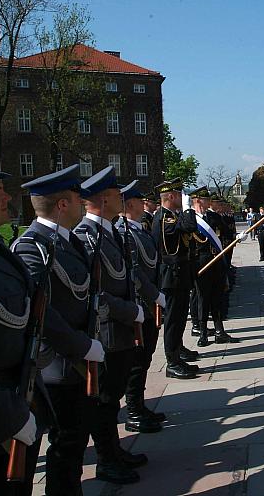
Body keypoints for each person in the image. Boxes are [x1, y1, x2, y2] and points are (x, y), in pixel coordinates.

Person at [0, 164, 105, 495]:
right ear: (62, 204)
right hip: (57, 365)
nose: (81, 202)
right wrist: (81, 346)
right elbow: (39, 313)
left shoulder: (65, 241)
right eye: (76, 196)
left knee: (74, 440)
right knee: (64, 442)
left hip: (77, 358)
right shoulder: (32, 246)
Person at [74, 166, 152, 484]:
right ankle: (106, 458)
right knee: (104, 400)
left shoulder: (109, 231)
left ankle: (114, 450)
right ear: (104, 199)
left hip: (120, 328)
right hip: (106, 329)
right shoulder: (86, 236)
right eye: (116, 194)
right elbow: (97, 292)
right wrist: (128, 311)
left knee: (113, 396)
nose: (122, 199)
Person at [115, 182, 167, 436]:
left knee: (144, 359)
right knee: (136, 361)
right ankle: (133, 410)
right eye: (139, 200)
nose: (145, 203)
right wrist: (155, 295)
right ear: (131, 204)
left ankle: (140, 405)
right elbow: (134, 271)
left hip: (148, 306)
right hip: (139, 305)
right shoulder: (124, 232)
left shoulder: (140, 230)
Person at [151, 178, 200, 380]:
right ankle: (172, 362)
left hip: (179, 274)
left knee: (179, 317)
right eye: (179, 195)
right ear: (171, 196)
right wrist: (189, 209)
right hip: (171, 276)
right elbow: (189, 227)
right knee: (172, 320)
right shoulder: (164, 218)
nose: (182, 198)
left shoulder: (171, 216)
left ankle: (178, 351)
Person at [189, 187, 238, 347]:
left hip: (216, 261)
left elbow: (225, 233)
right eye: (204, 199)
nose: (208, 202)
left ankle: (219, 331)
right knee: (203, 298)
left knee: (217, 297)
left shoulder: (214, 217)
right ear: (196, 201)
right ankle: (203, 332)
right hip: (200, 263)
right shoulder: (190, 219)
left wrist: (238, 237)